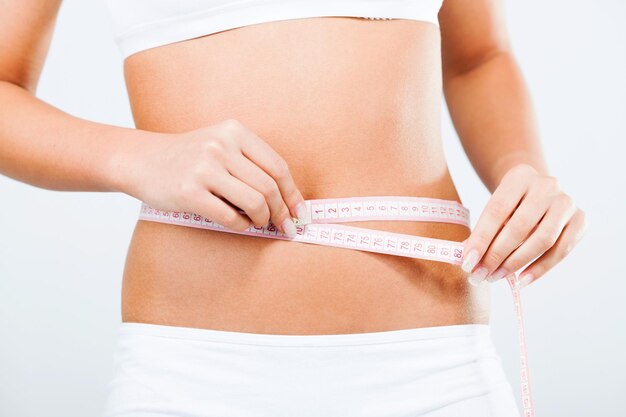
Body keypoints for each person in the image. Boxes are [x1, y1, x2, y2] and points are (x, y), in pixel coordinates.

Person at [0, 0, 586, 416]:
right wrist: (134, 158)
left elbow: (479, 56)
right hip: (191, 372)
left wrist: (523, 167)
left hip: (434, 365)